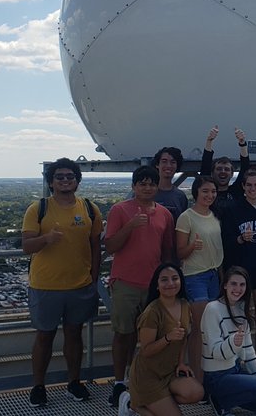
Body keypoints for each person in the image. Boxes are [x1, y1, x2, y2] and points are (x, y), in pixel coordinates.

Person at [21, 158, 102, 406]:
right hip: (46, 285)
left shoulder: (89, 208)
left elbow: (95, 246)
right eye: (60, 177)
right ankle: (38, 386)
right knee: (44, 336)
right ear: (51, 182)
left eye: (70, 176)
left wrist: (94, 278)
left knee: (74, 335)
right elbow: (26, 246)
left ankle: (73, 383)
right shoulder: (38, 208)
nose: (65, 180)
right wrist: (47, 238)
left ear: (77, 181)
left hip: (80, 285)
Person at [105, 166, 176, 408]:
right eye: (142, 183)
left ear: (157, 186)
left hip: (154, 285)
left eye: (151, 184)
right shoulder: (119, 210)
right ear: (133, 186)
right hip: (125, 283)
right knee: (123, 334)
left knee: (151, 337)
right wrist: (130, 226)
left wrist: (168, 281)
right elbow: (110, 246)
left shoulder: (165, 214)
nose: (147, 188)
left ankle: (144, 381)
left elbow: (167, 251)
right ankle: (118, 382)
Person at [117, 263, 204, 416]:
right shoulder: (152, 312)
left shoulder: (185, 305)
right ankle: (132, 404)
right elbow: (146, 351)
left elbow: (183, 338)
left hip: (169, 372)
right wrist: (167, 338)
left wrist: (181, 362)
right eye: (164, 280)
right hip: (147, 376)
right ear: (156, 285)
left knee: (196, 392)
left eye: (175, 279)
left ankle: (155, 402)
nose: (170, 283)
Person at [217, 171, 256, 374]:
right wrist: (239, 239)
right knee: (237, 321)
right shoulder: (232, 210)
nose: (253, 189)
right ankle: (234, 364)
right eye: (249, 185)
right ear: (243, 187)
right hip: (239, 274)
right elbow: (224, 242)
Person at [201, 266, 256, 416]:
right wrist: (233, 342)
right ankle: (219, 400)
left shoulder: (241, 309)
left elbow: (248, 353)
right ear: (225, 285)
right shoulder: (212, 309)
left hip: (234, 370)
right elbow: (215, 352)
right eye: (233, 284)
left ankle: (224, 400)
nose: (238, 288)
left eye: (242, 285)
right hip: (216, 376)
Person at [176, 175, 224, 386]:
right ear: (196, 192)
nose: (210, 195)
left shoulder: (214, 216)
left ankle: (209, 373)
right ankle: (197, 376)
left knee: (211, 326)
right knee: (199, 327)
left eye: (213, 191)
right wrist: (191, 247)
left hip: (214, 275)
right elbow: (180, 252)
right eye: (205, 191)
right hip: (195, 276)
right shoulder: (187, 217)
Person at [199, 126, 252, 201]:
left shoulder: (236, 191)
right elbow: (205, 166)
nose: (223, 171)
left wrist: (242, 143)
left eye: (227, 169)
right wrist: (209, 141)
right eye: (219, 169)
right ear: (212, 172)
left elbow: (245, 168)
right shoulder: (207, 192)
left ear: (232, 174)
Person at [152, 147, 189, 224]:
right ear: (157, 165)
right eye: (164, 161)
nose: (168, 165)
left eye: (173, 162)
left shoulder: (180, 196)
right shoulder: (146, 192)